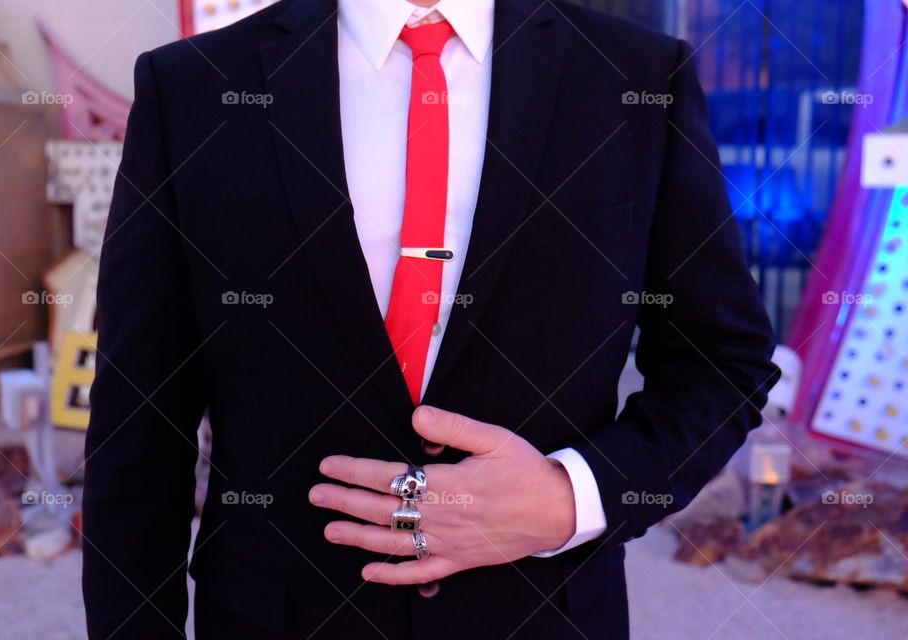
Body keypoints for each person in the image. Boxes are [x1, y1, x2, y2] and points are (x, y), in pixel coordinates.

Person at [82, 0, 780, 638]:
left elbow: (721, 362)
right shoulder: (196, 86)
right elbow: (139, 418)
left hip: (546, 617)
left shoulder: (636, 77)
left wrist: (572, 497)